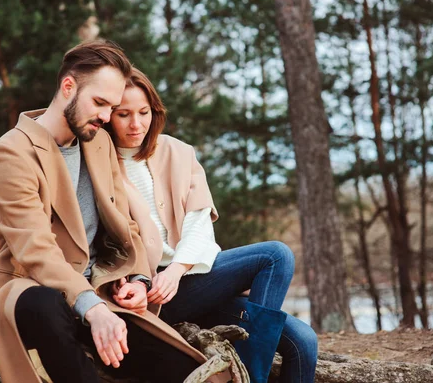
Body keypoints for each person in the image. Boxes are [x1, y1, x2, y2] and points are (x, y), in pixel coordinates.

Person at [0, 41, 227, 383]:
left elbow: (125, 227)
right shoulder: (11, 152)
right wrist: (92, 307)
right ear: (68, 87)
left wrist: (137, 279)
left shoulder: (98, 142)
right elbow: (35, 250)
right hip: (30, 289)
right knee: (45, 305)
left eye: (111, 106)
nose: (106, 117)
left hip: (102, 291)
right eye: (100, 103)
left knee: (190, 371)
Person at [105, 67, 319, 383]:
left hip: (193, 277)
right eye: (123, 114)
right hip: (152, 293)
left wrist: (177, 269)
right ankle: (253, 379)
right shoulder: (101, 164)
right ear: (109, 115)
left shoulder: (178, 152)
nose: (136, 123)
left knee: (304, 341)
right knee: (275, 254)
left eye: (143, 112)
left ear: (155, 111)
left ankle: (250, 371)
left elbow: (199, 223)